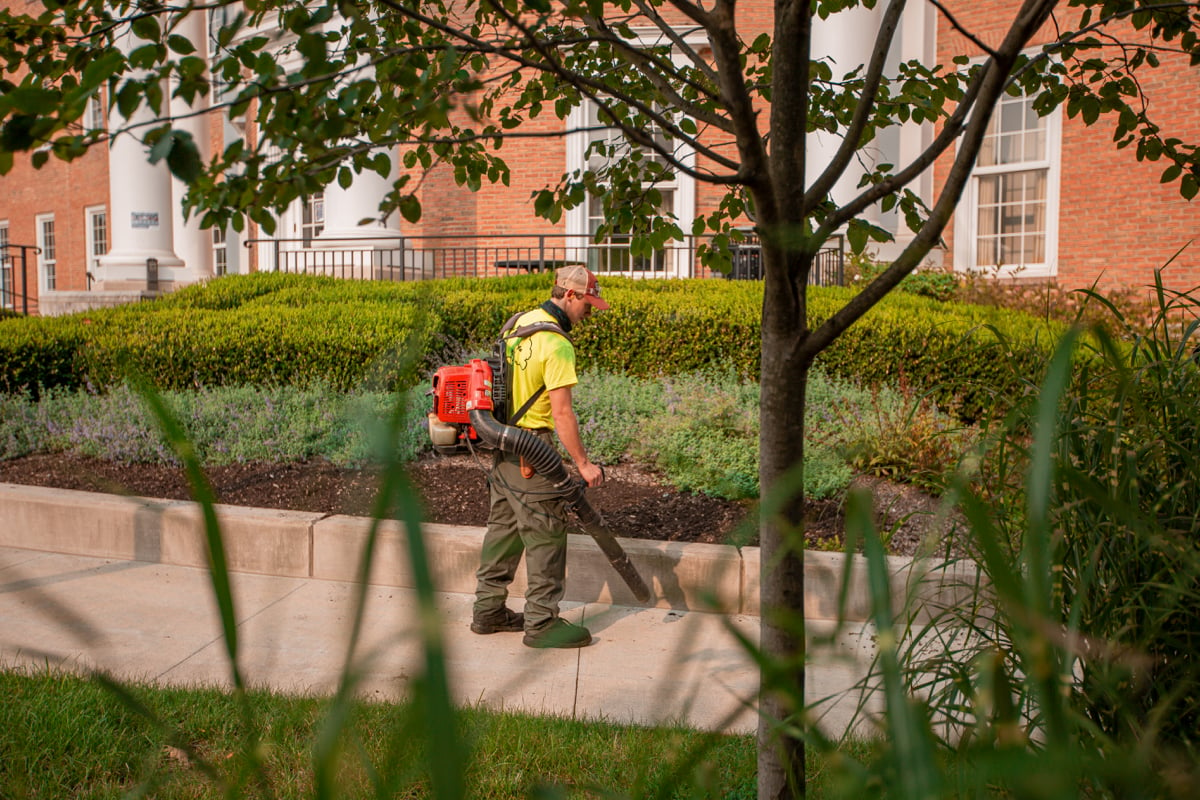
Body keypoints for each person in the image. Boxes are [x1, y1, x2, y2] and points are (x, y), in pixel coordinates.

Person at [471, 265, 610, 648]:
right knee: (546, 534)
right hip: (532, 453)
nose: (590, 311)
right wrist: (583, 463)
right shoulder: (557, 343)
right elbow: (562, 412)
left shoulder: (520, 322)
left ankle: (487, 610)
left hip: (502, 447)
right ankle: (542, 623)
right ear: (570, 295)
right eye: (588, 303)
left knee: (503, 531)